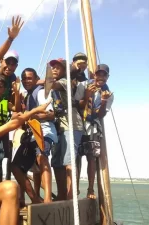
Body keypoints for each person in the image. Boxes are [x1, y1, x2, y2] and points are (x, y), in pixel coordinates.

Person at [12, 68, 58, 205]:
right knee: (17, 166)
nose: (26, 81)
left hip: (44, 131)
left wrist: (27, 115)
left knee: (41, 158)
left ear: (37, 78)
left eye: (30, 78)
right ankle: (35, 197)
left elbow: (49, 114)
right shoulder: (27, 95)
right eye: (24, 78)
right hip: (31, 134)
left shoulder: (41, 92)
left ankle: (48, 198)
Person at [75, 64, 114, 199]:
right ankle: (75, 189)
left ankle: (90, 189)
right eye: (99, 74)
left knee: (91, 158)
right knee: (76, 158)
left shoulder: (108, 94)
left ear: (107, 77)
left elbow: (101, 115)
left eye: (104, 75)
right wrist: (87, 95)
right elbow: (77, 104)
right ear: (95, 75)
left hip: (93, 126)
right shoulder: (83, 85)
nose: (101, 77)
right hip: (79, 124)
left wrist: (103, 102)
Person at [48, 59, 84, 200]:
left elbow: (51, 84)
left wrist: (41, 81)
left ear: (64, 71)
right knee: (57, 162)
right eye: (53, 68)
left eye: (58, 68)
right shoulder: (53, 90)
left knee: (69, 162)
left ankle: (70, 196)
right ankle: (62, 194)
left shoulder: (64, 82)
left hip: (72, 125)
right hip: (59, 126)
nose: (54, 70)